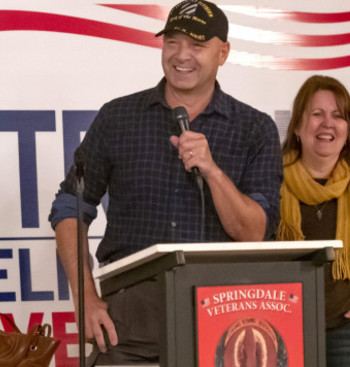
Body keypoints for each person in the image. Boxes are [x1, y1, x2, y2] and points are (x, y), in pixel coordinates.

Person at [49, 1, 283, 364]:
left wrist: (212, 170)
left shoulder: (255, 128)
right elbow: (69, 205)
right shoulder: (118, 117)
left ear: (223, 53)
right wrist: (85, 297)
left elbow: (255, 232)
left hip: (224, 318)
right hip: (129, 321)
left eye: (197, 45)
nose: (181, 55)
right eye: (172, 41)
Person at [277, 75, 350, 366]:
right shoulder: (271, 184)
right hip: (283, 328)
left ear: (347, 129)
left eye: (338, 116)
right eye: (316, 114)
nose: (327, 124)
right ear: (297, 126)